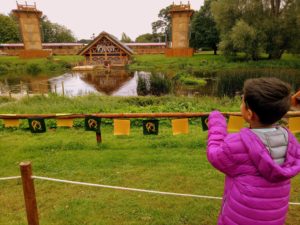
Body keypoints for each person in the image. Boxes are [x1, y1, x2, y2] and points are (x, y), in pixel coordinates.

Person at [207, 77, 300, 225]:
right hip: (273, 218)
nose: (241, 102)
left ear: (250, 114)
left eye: (243, 101)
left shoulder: (238, 144)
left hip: (240, 218)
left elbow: (215, 155)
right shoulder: (290, 140)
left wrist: (216, 123)